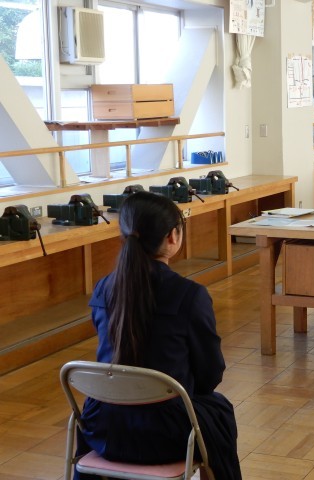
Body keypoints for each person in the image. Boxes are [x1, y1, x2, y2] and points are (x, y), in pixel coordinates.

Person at [75, 191, 241, 480]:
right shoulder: (189, 295)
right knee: (219, 409)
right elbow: (210, 375)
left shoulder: (103, 289)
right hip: (167, 434)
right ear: (172, 236)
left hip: (105, 428)